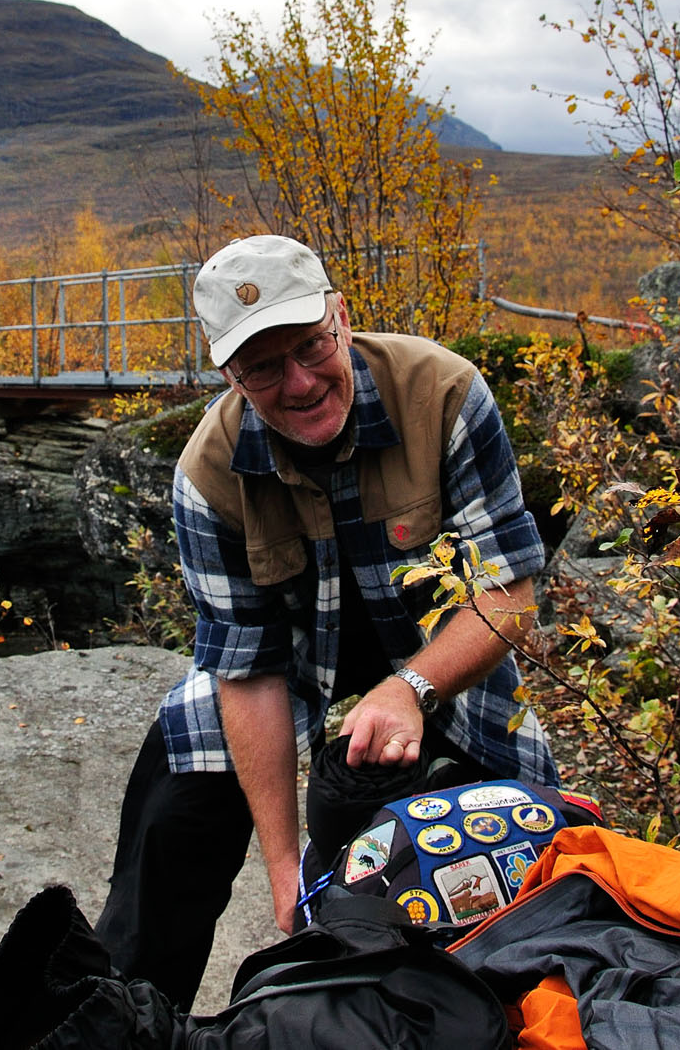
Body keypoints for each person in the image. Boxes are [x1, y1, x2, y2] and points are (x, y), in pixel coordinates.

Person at [94, 233, 558, 1008]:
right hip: (293, 657)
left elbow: (508, 594)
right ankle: (132, 1018)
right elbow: (245, 668)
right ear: (228, 373)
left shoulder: (445, 392)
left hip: (439, 651)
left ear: (342, 319)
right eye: (264, 369)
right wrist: (286, 871)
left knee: (521, 850)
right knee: (170, 821)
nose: (301, 382)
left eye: (312, 346)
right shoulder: (206, 476)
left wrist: (409, 686)